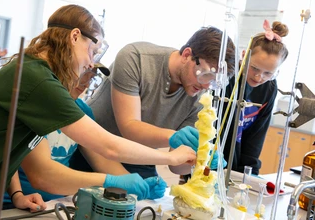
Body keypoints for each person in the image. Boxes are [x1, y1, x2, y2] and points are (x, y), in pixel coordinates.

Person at [0, 4, 196, 214]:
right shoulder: (36, 78)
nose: (91, 63)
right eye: (92, 50)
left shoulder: (32, 72)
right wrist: (169, 155)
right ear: (74, 36)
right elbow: (108, 145)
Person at [74, 26, 236, 179]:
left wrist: (200, 157)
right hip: (92, 150)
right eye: (206, 75)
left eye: (215, 83)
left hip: (141, 160)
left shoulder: (201, 96)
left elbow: (177, 167)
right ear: (187, 55)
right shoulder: (136, 58)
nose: (206, 86)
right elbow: (129, 127)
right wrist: (173, 136)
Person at [3, 64, 167, 209]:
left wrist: (137, 184)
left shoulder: (82, 111)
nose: (86, 82)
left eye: (92, 75)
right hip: (15, 203)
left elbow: (104, 159)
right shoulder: (35, 103)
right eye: (84, 73)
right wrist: (16, 194)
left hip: (58, 202)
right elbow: (35, 171)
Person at [221, 20, 289, 175]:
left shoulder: (269, 88)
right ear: (244, 55)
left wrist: (249, 173)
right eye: (254, 68)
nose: (259, 78)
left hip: (236, 168)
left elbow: (257, 135)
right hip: (207, 161)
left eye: (268, 73)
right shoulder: (226, 77)